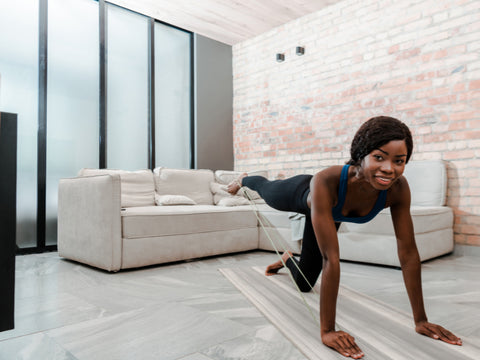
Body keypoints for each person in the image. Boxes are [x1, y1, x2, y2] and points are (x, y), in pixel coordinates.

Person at [227, 116, 462, 359]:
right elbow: (332, 259)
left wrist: (421, 320)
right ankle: (245, 178)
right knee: (267, 189)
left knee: (305, 284)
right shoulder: (326, 180)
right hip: (303, 193)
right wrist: (327, 331)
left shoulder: (398, 189)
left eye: (399, 161)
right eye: (379, 157)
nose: (390, 168)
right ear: (361, 154)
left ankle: (288, 258)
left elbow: (409, 253)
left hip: (329, 212)